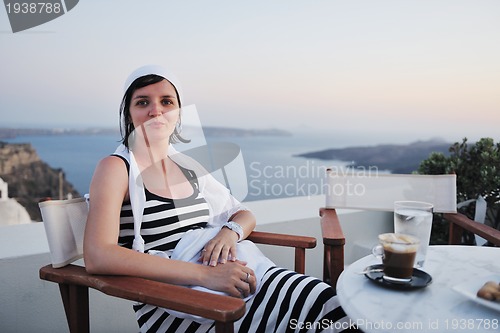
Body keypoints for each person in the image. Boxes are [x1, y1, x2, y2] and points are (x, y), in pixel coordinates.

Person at [83, 65, 356, 332]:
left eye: (166, 101)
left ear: (178, 113)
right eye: (143, 102)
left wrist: (228, 233)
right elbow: (98, 255)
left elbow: (243, 214)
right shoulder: (117, 168)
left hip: (228, 279)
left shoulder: (187, 167)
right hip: (171, 300)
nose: (156, 111)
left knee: (325, 299)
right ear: (130, 114)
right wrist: (207, 276)